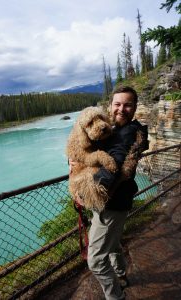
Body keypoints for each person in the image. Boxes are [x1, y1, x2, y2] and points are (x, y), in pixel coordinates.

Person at [69, 86, 149, 300]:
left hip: (110, 204)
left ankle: (116, 296)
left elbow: (111, 171)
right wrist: (74, 160)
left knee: (95, 260)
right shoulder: (113, 130)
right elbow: (84, 150)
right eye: (117, 104)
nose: (121, 109)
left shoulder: (125, 135)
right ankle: (121, 275)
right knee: (112, 245)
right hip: (116, 203)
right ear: (110, 107)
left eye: (127, 105)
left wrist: (85, 192)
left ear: (134, 108)